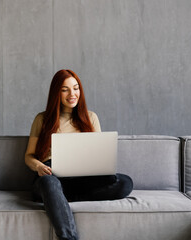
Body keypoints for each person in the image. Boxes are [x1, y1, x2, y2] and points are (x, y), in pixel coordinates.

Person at [25, 69, 133, 240]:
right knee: (48, 183)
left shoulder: (91, 117)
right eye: (65, 89)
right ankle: (69, 237)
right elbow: (29, 155)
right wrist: (39, 166)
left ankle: (61, 199)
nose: (72, 94)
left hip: (81, 180)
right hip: (51, 177)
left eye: (76, 88)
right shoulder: (42, 119)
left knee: (125, 183)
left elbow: (99, 154)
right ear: (56, 93)